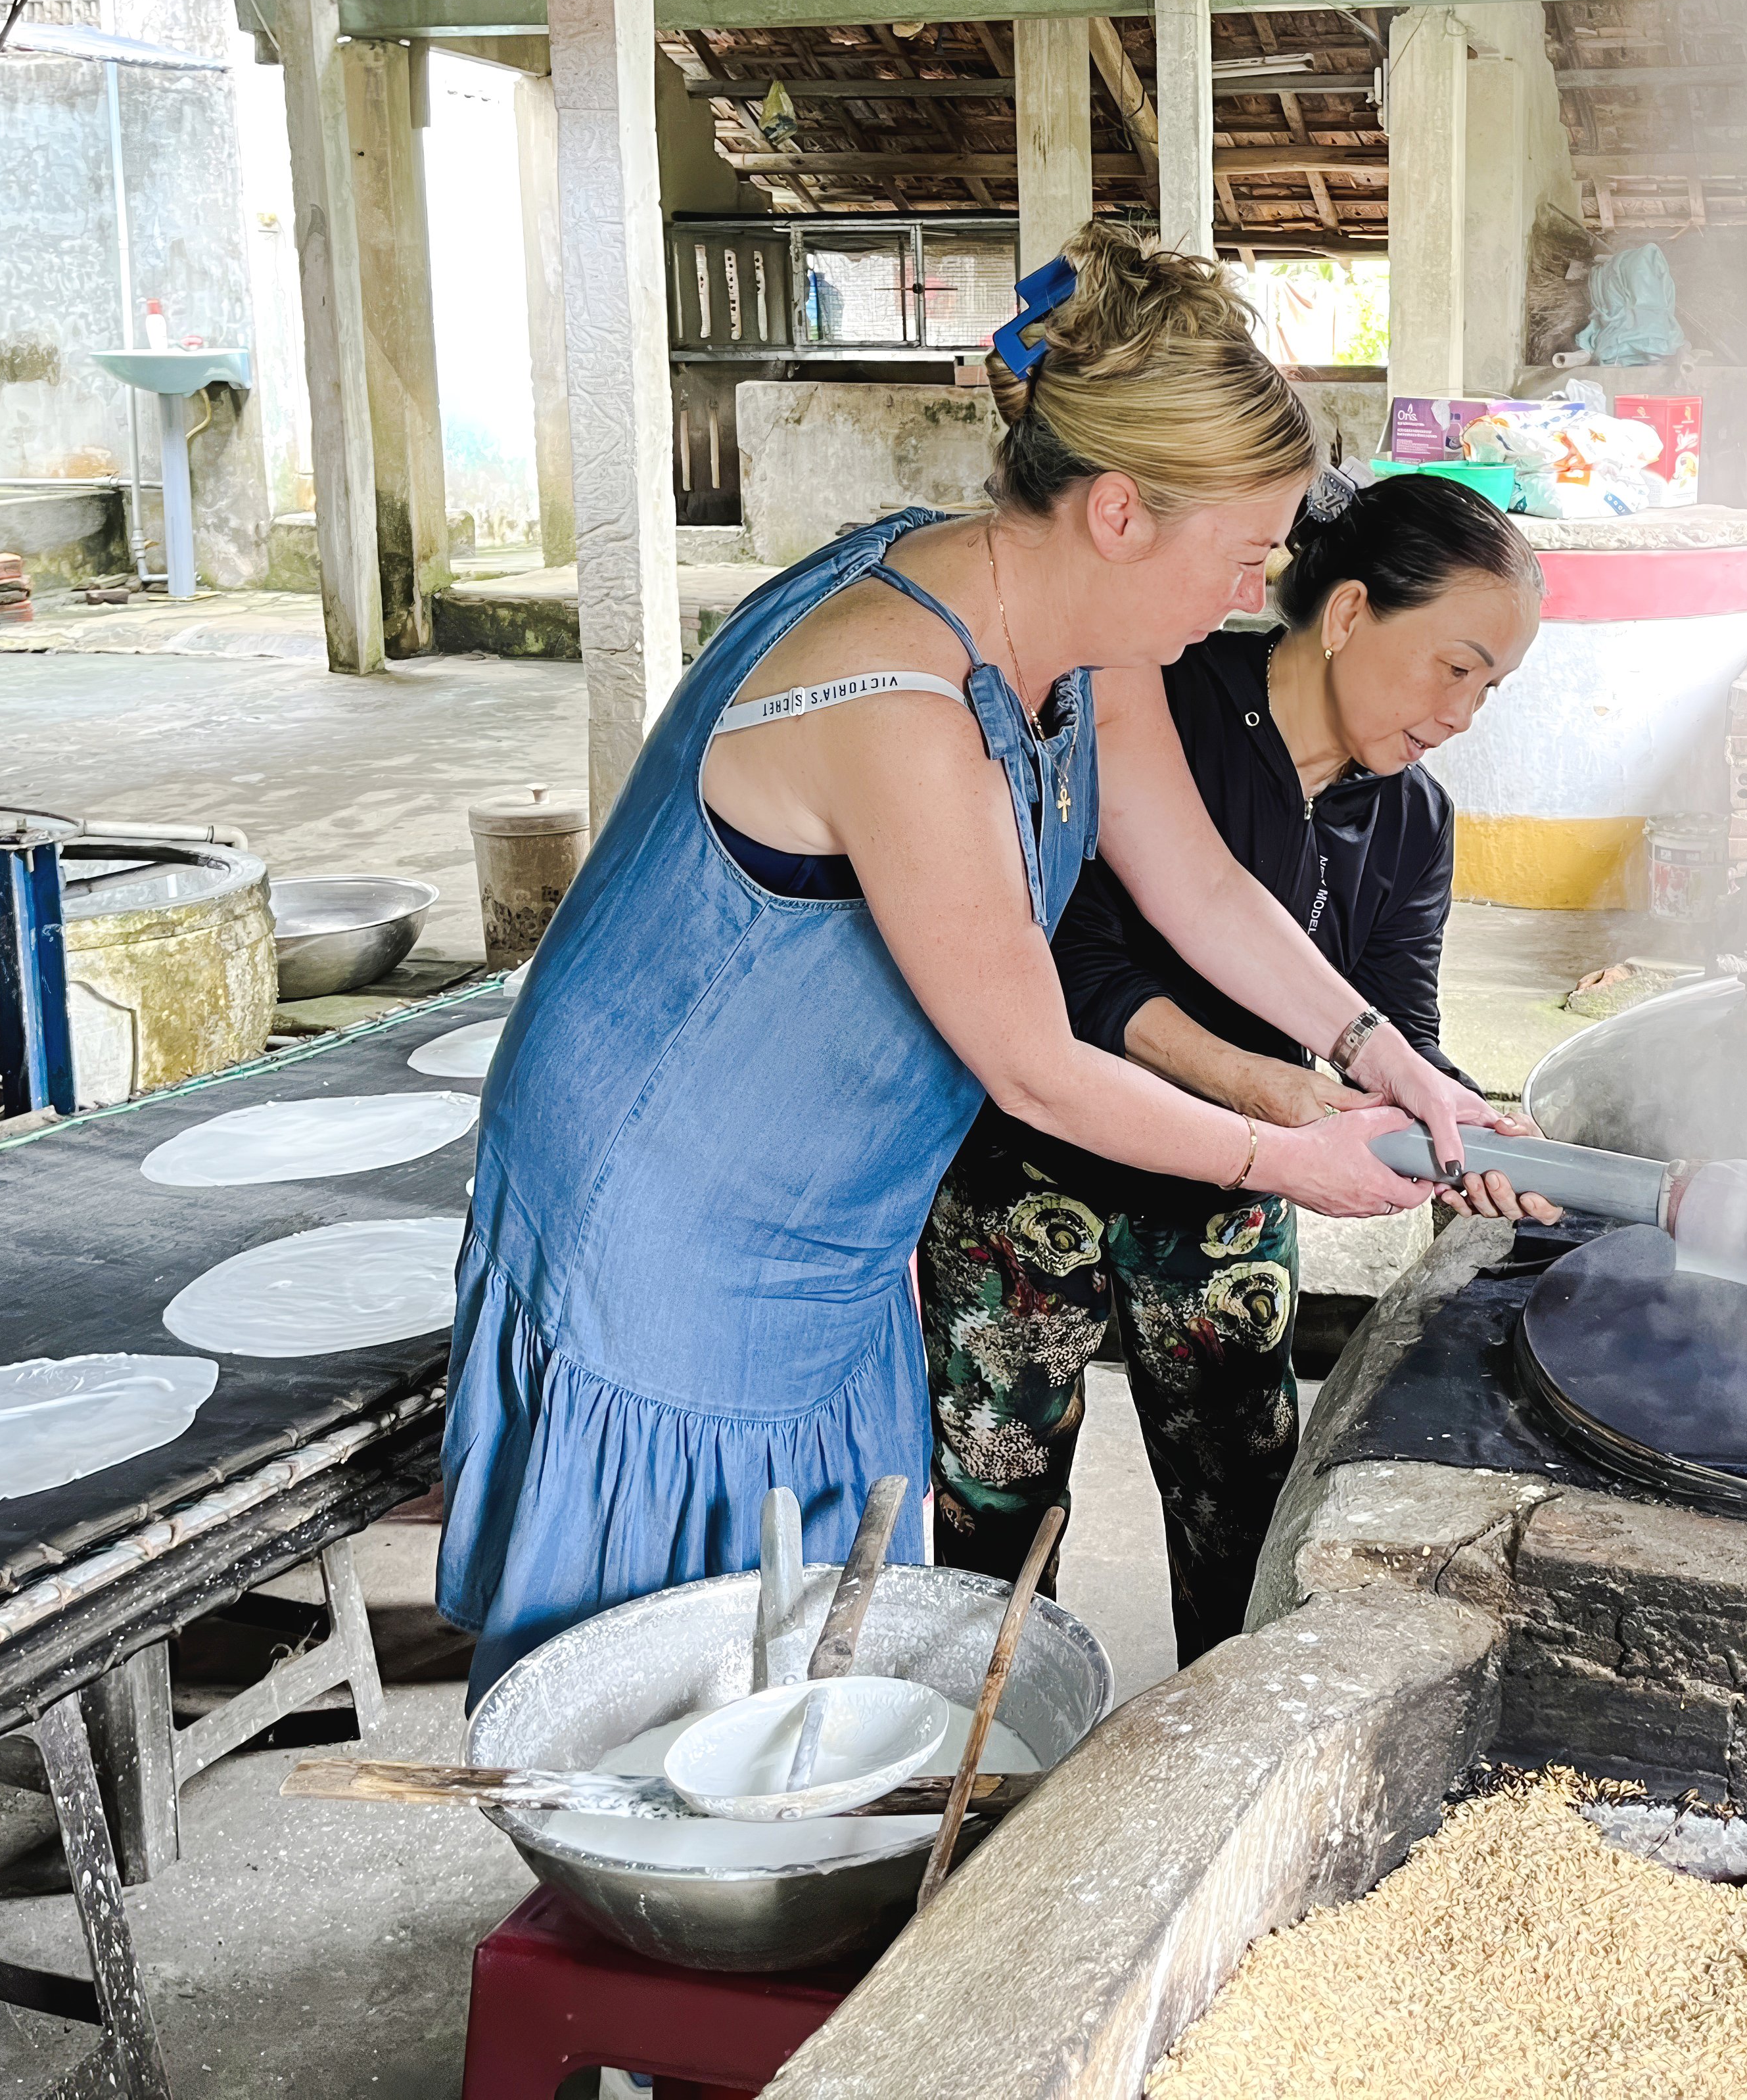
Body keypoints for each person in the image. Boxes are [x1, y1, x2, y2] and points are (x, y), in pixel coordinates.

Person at [438, 227, 1497, 1698]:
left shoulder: (1080, 634)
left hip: (836, 1221)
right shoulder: (901, 702)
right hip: (673, 1213)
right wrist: (1286, 1161)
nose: (1256, 596)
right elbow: (1034, 1064)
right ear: (1121, 512)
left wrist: (1376, 1053)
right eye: (1246, 555)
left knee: (812, 1656)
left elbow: (1189, 879)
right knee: (656, 1686)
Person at [921, 471, 1557, 1664]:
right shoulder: (1160, 706)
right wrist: (1254, 1084)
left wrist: (1461, 1125)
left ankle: (1208, 1790)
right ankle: (984, 1779)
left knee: (1242, 1516)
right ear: (1354, 610)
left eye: (1492, 687)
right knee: (994, 1509)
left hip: (1230, 1204)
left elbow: (1394, 1030)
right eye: (1455, 665)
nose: (1466, 710)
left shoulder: (1411, 821)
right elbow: (1076, 965)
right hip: (1034, 1172)